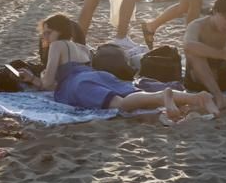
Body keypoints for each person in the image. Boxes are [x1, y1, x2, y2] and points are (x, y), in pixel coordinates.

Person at [19, 14, 215, 119]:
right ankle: (196, 98)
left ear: (60, 33)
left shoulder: (56, 46)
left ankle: (164, 96)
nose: (44, 37)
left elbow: (47, 83)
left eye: (48, 33)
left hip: (78, 85)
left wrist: (32, 79)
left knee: (121, 105)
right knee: (134, 94)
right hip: (98, 76)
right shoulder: (82, 47)